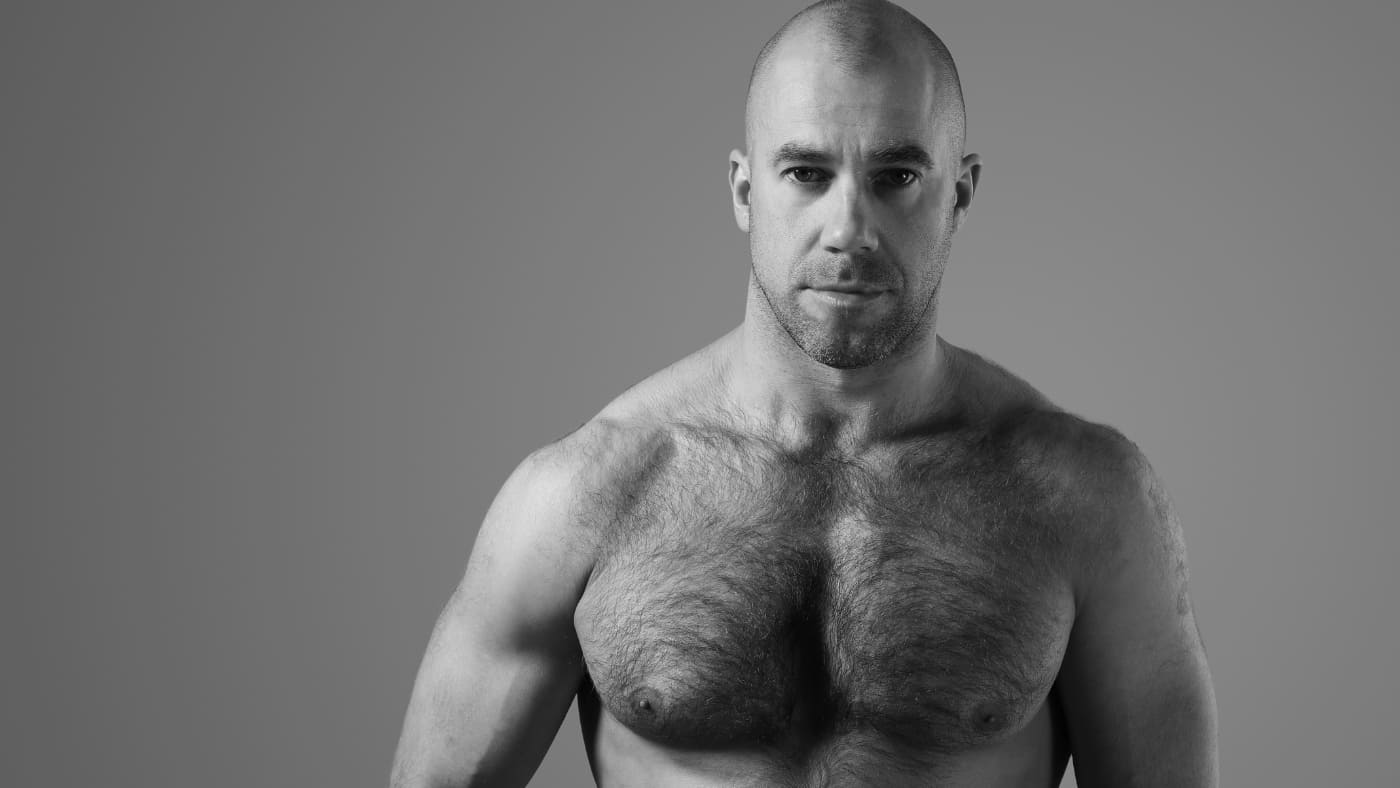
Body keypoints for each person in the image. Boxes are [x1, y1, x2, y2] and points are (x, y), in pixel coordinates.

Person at [390, 0, 1219, 785]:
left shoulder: (1084, 498)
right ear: (747, 192)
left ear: (959, 192)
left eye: (896, 176)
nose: (849, 227)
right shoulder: (586, 494)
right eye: (807, 173)